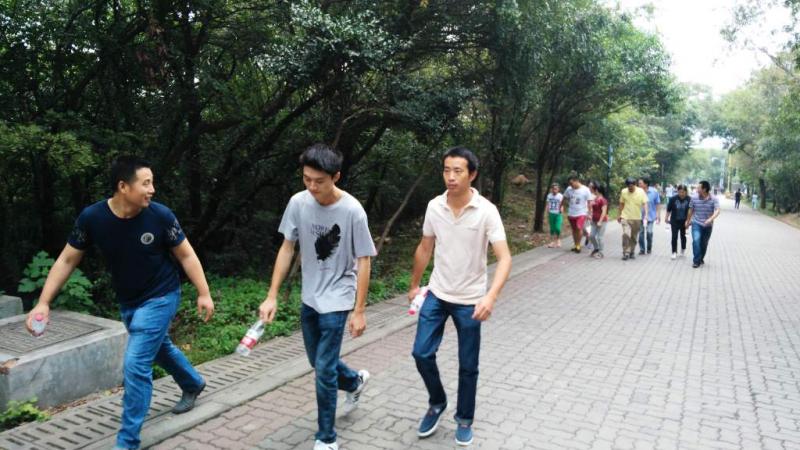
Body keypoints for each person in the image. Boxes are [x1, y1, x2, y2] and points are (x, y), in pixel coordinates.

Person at [25, 156, 215, 450]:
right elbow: (67, 259)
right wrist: (43, 303)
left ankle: (127, 443)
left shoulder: (160, 216)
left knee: (136, 364)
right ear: (123, 186)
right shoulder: (92, 218)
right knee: (159, 348)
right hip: (129, 300)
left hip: (162, 294)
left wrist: (203, 292)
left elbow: (186, 254)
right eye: (146, 183)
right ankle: (192, 383)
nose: (152, 189)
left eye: (152, 183)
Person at [257, 144, 376, 450]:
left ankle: (326, 438)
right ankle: (354, 381)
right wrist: (272, 295)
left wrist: (359, 310)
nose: (311, 186)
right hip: (310, 295)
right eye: (306, 179)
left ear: (335, 177)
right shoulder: (298, 202)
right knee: (318, 362)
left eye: (319, 181)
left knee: (323, 369)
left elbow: (364, 259)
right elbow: (287, 248)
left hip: (338, 295)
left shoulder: (352, 211)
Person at [408, 147, 512, 447]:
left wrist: (490, 297)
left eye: (458, 171)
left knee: (468, 365)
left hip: (470, 300)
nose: (450, 177)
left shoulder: (486, 211)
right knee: (421, 353)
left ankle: (464, 419)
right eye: (446, 170)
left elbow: (505, 258)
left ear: (472, 174)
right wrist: (414, 285)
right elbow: (425, 247)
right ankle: (437, 401)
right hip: (437, 293)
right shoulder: (434, 206)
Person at [685, 180, 721, 268]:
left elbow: (717, 210)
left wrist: (710, 219)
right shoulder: (694, 198)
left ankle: (701, 258)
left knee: (704, 243)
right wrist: (688, 221)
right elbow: (690, 210)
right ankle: (696, 261)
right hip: (696, 223)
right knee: (696, 240)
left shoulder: (714, 198)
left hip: (708, 225)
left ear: (704, 189)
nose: (696, 189)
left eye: (698, 188)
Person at [617, 177, 648, 261]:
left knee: (634, 237)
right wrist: (619, 215)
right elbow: (621, 204)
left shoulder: (641, 191)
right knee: (626, 234)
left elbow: (645, 203)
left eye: (631, 186)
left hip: (636, 217)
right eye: (628, 186)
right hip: (625, 216)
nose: (630, 188)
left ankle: (632, 252)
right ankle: (626, 252)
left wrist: (646, 214)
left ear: (635, 185)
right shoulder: (624, 191)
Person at [561, 176, 593, 253]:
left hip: (582, 212)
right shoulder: (569, 189)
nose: (571, 185)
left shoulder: (585, 189)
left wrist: (589, 213)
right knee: (574, 229)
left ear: (577, 181)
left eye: (572, 183)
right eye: (569, 184)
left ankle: (578, 245)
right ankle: (576, 245)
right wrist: (560, 206)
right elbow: (564, 198)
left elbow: (589, 202)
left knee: (579, 228)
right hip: (571, 213)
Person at [665, 184, 690, 260]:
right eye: (680, 192)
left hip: (684, 221)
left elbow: (691, 211)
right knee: (674, 236)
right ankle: (674, 252)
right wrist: (666, 217)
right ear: (677, 191)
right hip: (674, 221)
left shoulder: (689, 199)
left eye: (683, 192)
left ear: (686, 192)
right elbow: (669, 209)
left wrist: (689, 220)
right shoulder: (673, 199)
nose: (681, 194)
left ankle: (683, 248)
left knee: (683, 236)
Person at [637, 178, 661, 255]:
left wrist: (658, 215)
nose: (638, 184)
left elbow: (657, 203)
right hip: (639, 216)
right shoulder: (637, 191)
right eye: (638, 183)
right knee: (641, 233)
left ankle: (649, 248)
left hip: (650, 216)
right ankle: (642, 249)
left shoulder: (654, 192)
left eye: (640, 183)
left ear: (646, 184)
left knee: (649, 232)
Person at [587, 181, 608, 259]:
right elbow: (591, 208)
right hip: (594, 220)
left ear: (597, 190)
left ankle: (601, 252)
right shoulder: (595, 198)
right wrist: (590, 214)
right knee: (591, 236)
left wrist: (600, 221)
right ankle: (596, 248)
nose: (593, 191)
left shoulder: (603, 200)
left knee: (600, 237)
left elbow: (604, 212)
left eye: (594, 189)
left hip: (602, 221)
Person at [546, 183, 564, 248]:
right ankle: (552, 242)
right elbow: (548, 203)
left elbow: (562, 204)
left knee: (557, 228)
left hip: (558, 214)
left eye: (556, 189)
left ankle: (558, 240)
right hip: (551, 213)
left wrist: (561, 209)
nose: (554, 190)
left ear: (558, 189)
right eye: (553, 189)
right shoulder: (549, 195)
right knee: (552, 228)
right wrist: (547, 209)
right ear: (551, 189)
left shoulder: (560, 196)